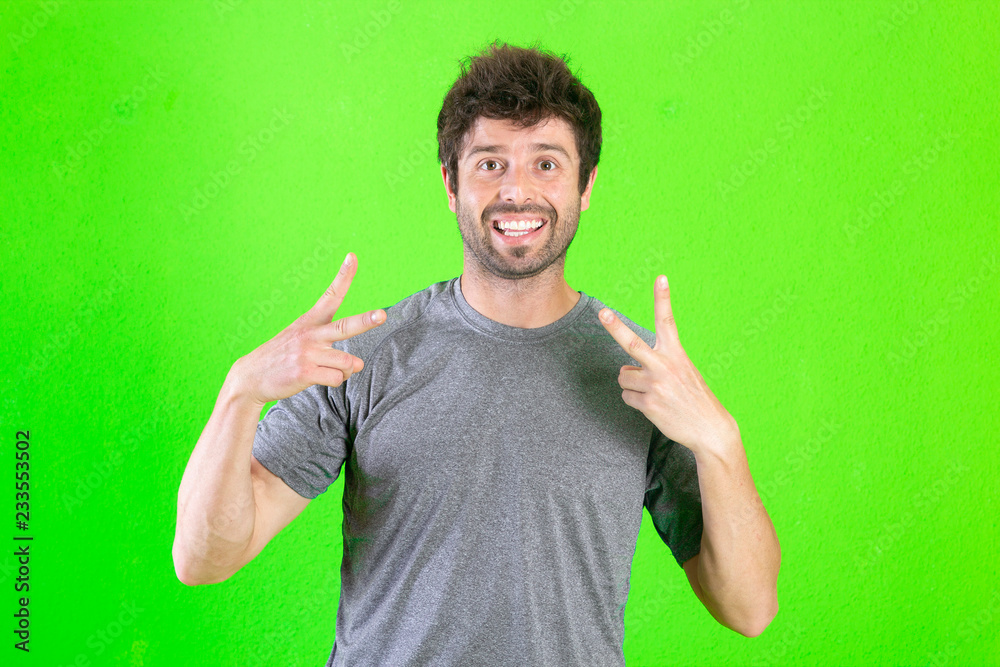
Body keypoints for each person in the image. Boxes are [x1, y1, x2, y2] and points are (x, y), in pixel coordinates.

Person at [172, 41, 780, 666]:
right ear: (450, 181)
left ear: (586, 185)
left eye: (547, 164)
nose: (518, 191)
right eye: (490, 164)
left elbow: (749, 609)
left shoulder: (643, 377)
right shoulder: (366, 356)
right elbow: (203, 558)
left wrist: (719, 441)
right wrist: (241, 391)